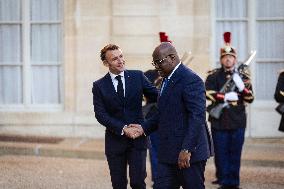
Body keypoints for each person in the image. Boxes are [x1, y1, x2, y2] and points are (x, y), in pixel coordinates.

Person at [132, 42, 213, 189]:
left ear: (172, 58)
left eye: (159, 62)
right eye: (154, 63)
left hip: (188, 155)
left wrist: (186, 149)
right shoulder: (166, 79)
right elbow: (162, 113)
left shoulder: (191, 79)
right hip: (168, 152)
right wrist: (143, 128)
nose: (156, 67)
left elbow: (197, 117)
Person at [92, 44, 158, 189]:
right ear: (106, 63)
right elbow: (100, 114)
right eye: (115, 59)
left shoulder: (138, 76)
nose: (120, 60)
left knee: (138, 183)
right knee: (118, 184)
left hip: (138, 139)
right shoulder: (99, 86)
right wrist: (122, 128)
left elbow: (158, 97)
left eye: (121, 56)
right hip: (115, 140)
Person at [205, 32, 254, 189]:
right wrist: (224, 97)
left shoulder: (243, 78)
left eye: (231, 57)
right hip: (219, 120)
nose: (228, 59)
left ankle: (232, 183)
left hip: (237, 119)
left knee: (235, 153)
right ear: (221, 59)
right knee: (221, 153)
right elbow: (208, 93)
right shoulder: (213, 76)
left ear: (235, 59)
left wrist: (242, 88)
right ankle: (224, 180)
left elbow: (250, 99)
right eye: (225, 57)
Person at [143, 69, 161, 184]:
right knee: (154, 149)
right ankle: (157, 179)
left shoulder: (174, 74)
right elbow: (144, 93)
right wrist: (157, 83)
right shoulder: (148, 75)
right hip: (152, 115)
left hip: (170, 116)